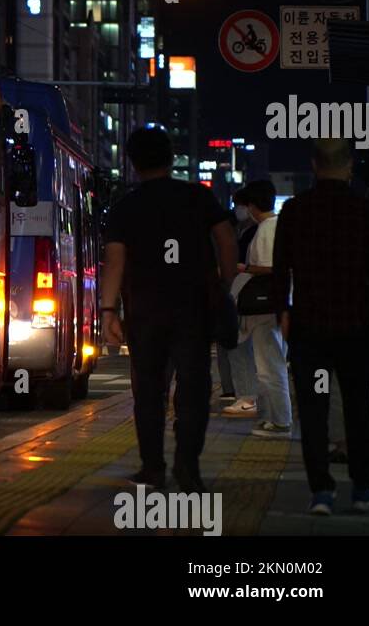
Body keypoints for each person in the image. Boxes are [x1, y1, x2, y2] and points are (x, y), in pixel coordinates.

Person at [101, 127, 238, 492]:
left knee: (148, 390)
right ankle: (188, 468)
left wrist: (108, 311)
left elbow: (115, 260)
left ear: (131, 163)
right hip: (194, 308)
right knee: (194, 388)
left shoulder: (125, 207)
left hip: (145, 311)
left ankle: (152, 468)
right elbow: (226, 237)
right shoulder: (197, 197)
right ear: (171, 156)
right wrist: (224, 283)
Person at [272, 138, 369, 515]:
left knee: (314, 410)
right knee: (358, 407)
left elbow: (282, 269)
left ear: (314, 165)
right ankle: (363, 487)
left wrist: (283, 310)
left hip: (309, 328)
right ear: (349, 167)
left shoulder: (296, 211)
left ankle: (322, 492)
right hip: (356, 326)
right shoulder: (364, 211)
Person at [235, 180, 292, 438]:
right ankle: (271, 418)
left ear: (253, 205)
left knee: (270, 366)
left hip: (266, 308)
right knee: (269, 365)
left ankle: (280, 421)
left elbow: (271, 269)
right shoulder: (275, 226)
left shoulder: (268, 228)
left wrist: (244, 269)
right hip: (275, 307)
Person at [221, 189, 261, 416]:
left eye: (240, 205)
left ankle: (249, 398)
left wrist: (243, 268)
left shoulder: (256, 231)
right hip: (250, 297)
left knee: (241, 348)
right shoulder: (248, 229)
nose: (238, 210)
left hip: (253, 298)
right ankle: (251, 398)